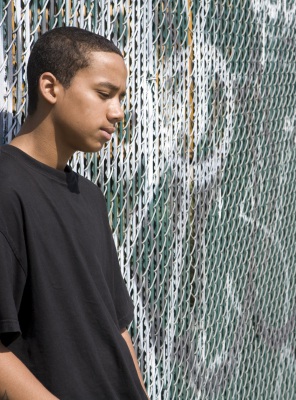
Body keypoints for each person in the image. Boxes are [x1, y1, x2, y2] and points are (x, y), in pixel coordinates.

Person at [0, 27, 149, 400]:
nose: (117, 112)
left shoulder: (90, 198)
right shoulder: (6, 189)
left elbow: (117, 328)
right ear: (50, 88)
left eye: (120, 97)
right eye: (104, 94)